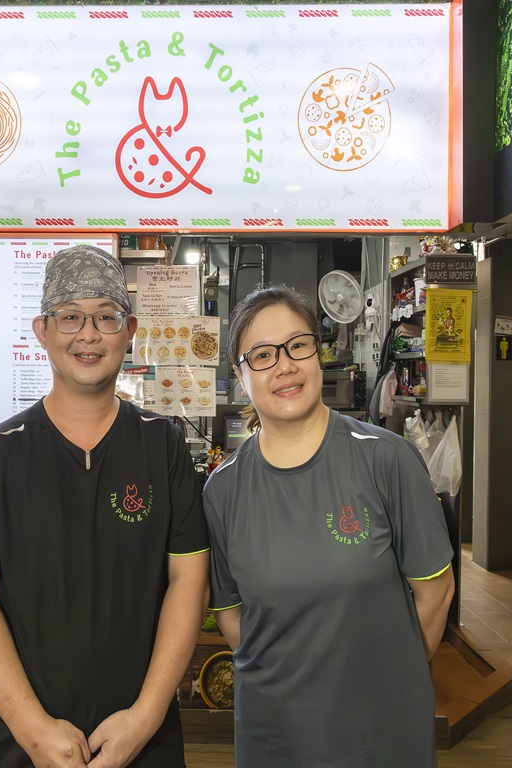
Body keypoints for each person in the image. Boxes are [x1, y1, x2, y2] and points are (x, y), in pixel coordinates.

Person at [0, 245, 210, 768]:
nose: (88, 335)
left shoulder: (162, 447)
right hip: (27, 746)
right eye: (70, 317)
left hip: (145, 740)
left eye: (105, 317)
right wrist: (33, 729)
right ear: (42, 331)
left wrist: (146, 716)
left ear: (129, 330)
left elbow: (190, 584)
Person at [202, 284, 455, 768]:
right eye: (262, 355)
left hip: (380, 726)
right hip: (274, 729)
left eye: (298, 345)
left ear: (317, 354)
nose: (285, 365)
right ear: (239, 376)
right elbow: (232, 616)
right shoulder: (223, 489)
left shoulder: (386, 459)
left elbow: (435, 593)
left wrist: (388, 682)